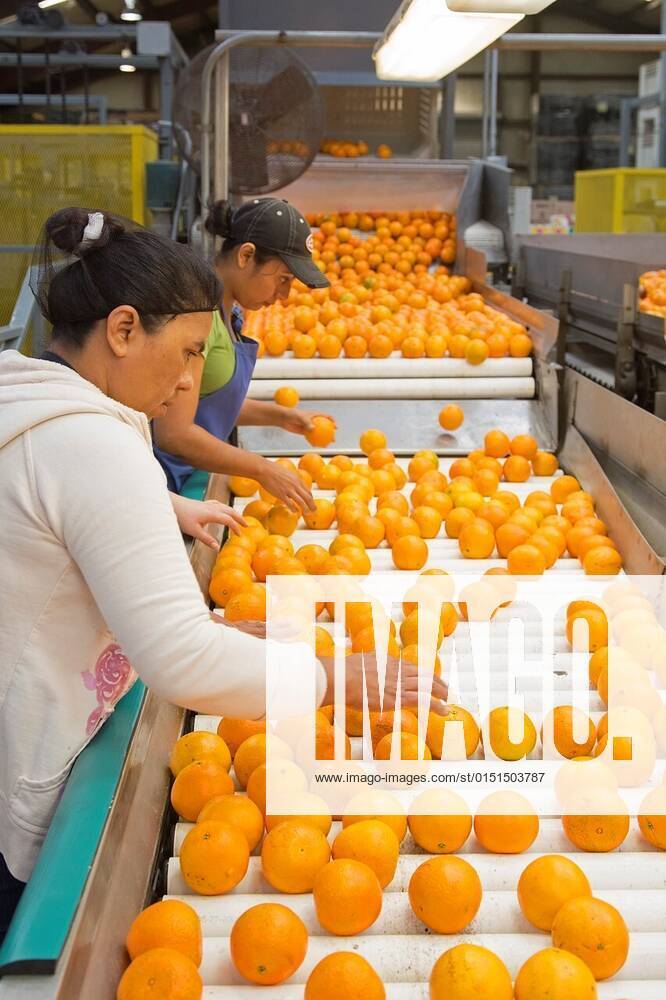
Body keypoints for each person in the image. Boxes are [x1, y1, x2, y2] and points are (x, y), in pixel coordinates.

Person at [0, 208, 447, 943]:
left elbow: (60, 551)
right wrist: (336, 676)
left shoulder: (28, 400)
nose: (185, 385)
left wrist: (193, 597)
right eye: (181, 354)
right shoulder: (95, 444)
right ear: (120, 330)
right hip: (30, 760)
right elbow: (182, 664)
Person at [152, 198, 332, 509]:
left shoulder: (228, 312)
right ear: (246, 255)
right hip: (159, 483)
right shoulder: (195, 315)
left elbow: (208, 402)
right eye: (283, 279)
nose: (285, 295)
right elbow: (174, 433)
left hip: (188, 477)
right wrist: (260, 468)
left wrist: (281, 416)